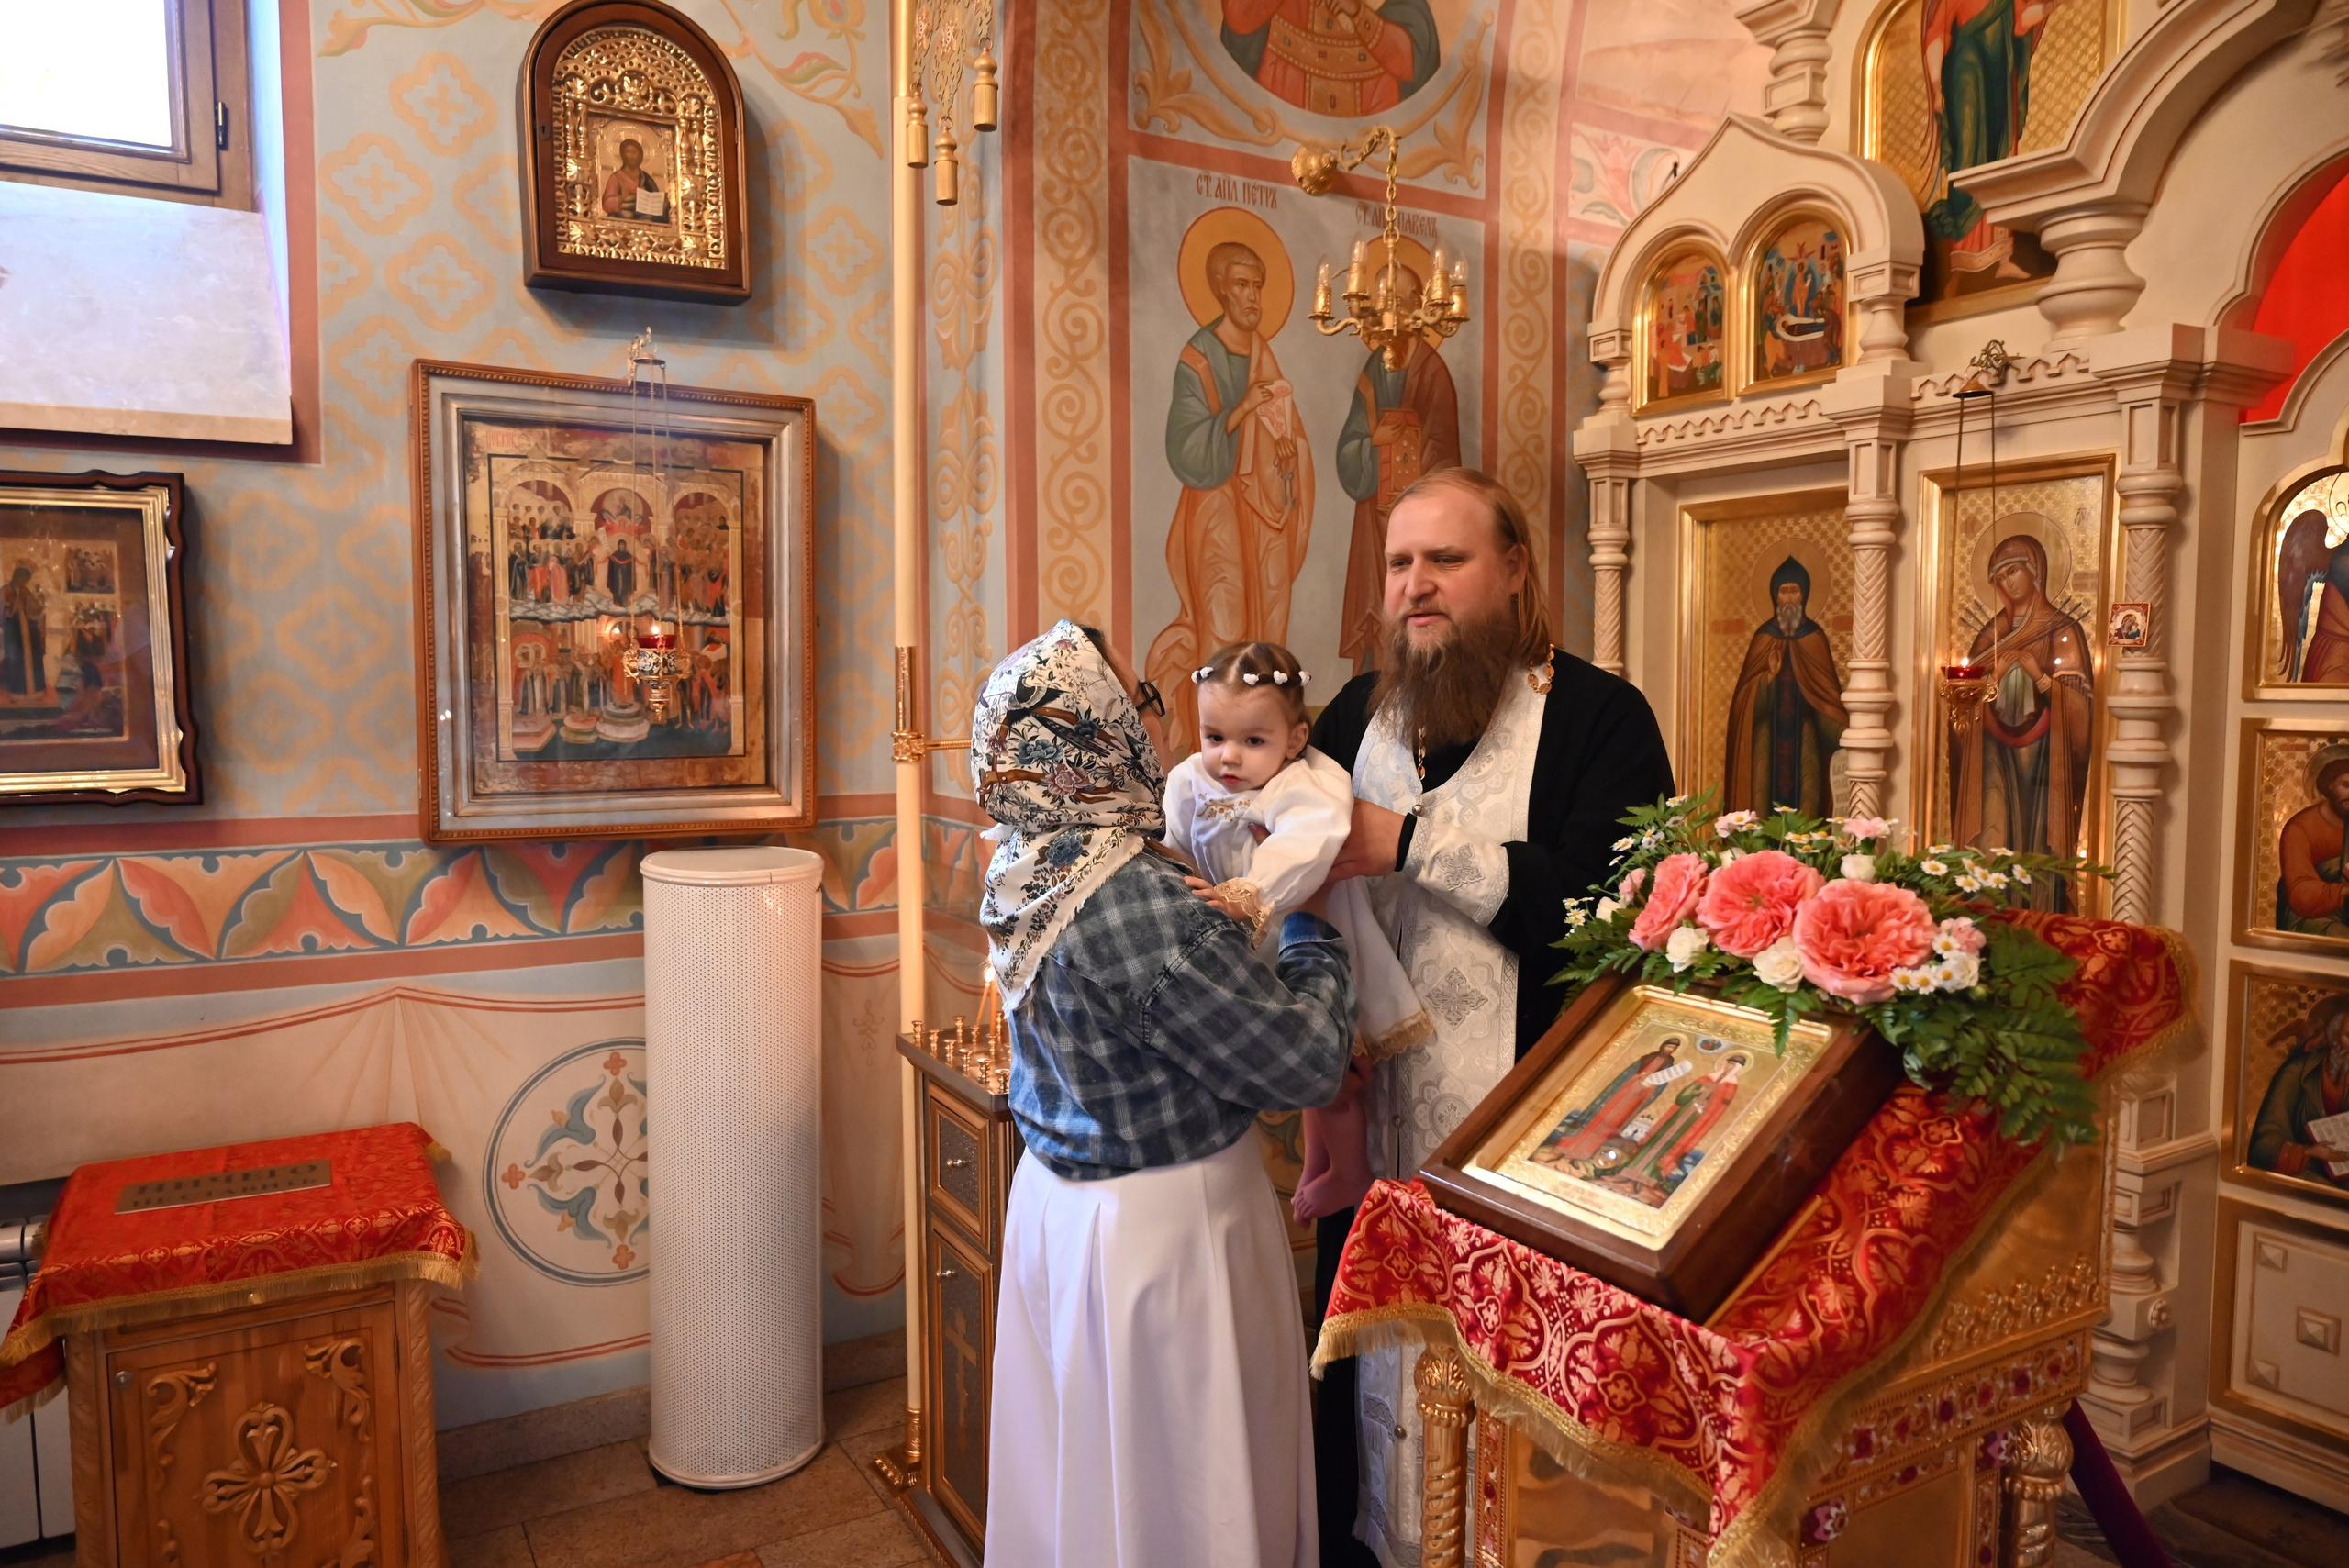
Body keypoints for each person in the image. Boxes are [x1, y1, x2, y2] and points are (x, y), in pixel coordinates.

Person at [1306, 467, 1675, 1566]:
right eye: (1398, 563)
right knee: (1366, 1433)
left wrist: (1412, 845)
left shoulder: (1598, 718)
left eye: (1445, 559)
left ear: (1514, 571)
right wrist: (1318, 1048)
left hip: (1530, 1159)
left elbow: (1616, 924)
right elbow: (1301, 906)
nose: (1416, 585)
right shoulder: (1349, 715)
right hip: (1375, 1147)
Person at [976, 619, 1356, 1568]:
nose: (1152, 717)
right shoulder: (1133, 894)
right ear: (1095, 730)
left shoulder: (1028, 853)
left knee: (1091, 1480)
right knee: (1186, 1492)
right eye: (1135, 699)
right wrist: (1313, 930)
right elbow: (1303, 1059)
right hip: (1165, 1230)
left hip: (1060, 1208)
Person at [1162, 639, 1431, 1224]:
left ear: (1295, 738)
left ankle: (1353, 1171)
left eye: (1252, 741)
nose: (1228, 758)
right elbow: (1175, 844)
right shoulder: (1190, 781)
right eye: (1214, 737)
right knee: (1291, 1056)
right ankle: (1318, 1164)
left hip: (1309, 927)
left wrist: (1249, 893)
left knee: (1329, 1065)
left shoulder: (1307, 782)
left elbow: (1304, 846)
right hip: (1243, 936)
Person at [1145, 241, 1314, 753]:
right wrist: (1239, 413)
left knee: (1266, 636)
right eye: (1241, 285)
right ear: (1220, 290)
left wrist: (1287, 453)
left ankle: (1265, 757)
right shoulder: (1198, 357)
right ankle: (1210, 759)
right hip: (1215, 513)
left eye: (1258, 286)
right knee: (1222, 631)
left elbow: (1288, 435)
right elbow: (1188, 449)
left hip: (1265, 515)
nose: (1252, 297)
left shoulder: (1265, 353)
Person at [1949, 532, 2092, 906]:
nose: (2007, 582)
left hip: (2046, 760)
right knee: (1993, 832)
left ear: (2036, 572)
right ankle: (1988, 917)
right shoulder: (1991, 634)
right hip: (1992, 754)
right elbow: (1961, 708)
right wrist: (1992, 678)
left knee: (2037, 839)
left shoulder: (2063, 631)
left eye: (2014, 571)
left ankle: (2040, 914)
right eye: (2000, 577)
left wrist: (2040, 677)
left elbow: (2081, 712)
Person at [1334, 266, 1460, 679]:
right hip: (1373, 515)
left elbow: (1444, 453)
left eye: (1402, 302)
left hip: (1414, 520)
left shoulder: (1433, 371)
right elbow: (1350, 443)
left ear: (1421, 308)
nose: (1392, 312)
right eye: (1383, 300)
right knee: (1376, 608)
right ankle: (1374, 690)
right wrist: (1373, 440)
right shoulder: (1374, 369)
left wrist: (1413, 497)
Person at [1723, 555, 1846, 817]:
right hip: (1766, 742)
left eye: (1794, 591)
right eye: (1783, 591)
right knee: (1761, 802)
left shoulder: (1814, 638)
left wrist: (1843, 730)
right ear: (1774, 596)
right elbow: (1743, 704)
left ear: (1804, 595)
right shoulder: (1763, 638)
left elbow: (1827, 694)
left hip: (1806, 737)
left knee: (1809, 797)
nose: (1789, 599)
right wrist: (1768, 678)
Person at [1219, 0, 1442, 117]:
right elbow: (1239, 18)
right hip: (1283, 94)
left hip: (1372, 108)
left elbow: (1414, 62)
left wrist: (1359, 14)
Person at [2248, 995, 2349, 1185]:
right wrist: (2308, 1152)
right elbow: (2262, 1146)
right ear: (2332, 1036)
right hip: (2306, 1178)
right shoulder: (2296, 1073)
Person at [2278, 750, 2349, 934]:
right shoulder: (2300, 829)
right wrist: (2342, 891)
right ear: (2328, 785)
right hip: (2314, 917)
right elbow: (2300, 891)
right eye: (2346, 786)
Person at [601, 138, 668, 222]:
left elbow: (656, 201)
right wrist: (622, 197)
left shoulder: (646, 178)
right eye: (628, 152)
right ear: (623, 154)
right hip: (620, 218)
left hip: (644, 218)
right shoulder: (616, 177)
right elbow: (606, 204)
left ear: (639, 155)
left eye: (634, 153)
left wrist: (663, 203)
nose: (631, 156)